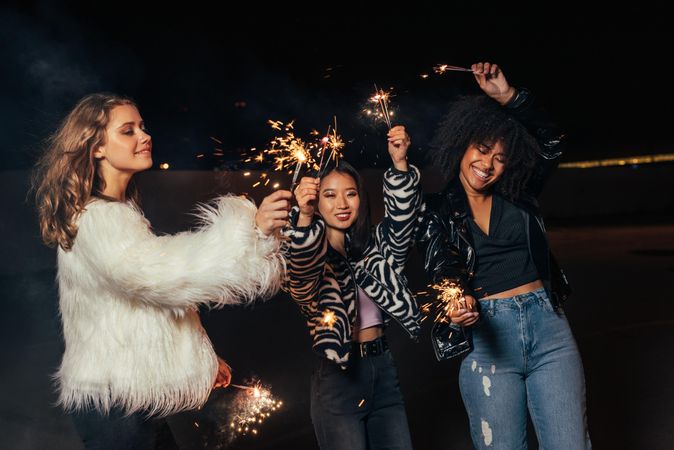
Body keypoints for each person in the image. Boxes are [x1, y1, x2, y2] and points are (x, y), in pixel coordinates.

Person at [32, 93, 290, 449]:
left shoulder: (119, 212)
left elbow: (144, 303)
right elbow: (163, 275)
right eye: (128, 131)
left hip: (128, 395)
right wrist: (251, 230)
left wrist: (201, 358)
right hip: (114, 403)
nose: (144, 136)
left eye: (142, 127)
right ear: (96, 148)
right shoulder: (97, 219)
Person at [418, 62, 591, 449]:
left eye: (500, 157)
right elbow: (442, 264)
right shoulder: (438, 210)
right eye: (482, 150)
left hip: (549, 328)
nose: (488, 165)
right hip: (487, 338)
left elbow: (552, 142)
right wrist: (455, 302)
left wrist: (509, 97)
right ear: (461, 144)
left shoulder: (520, 191)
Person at [286, 126, 422, 450]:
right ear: (315, 202)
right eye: (329, 195)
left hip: (384, 370)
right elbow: (301, 271)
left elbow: (401, 226)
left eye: (351, 193)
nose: (342, 203)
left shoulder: (374, 249)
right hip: (338, 378)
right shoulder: (309, 260)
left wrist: (400, 164)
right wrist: (302, 217)